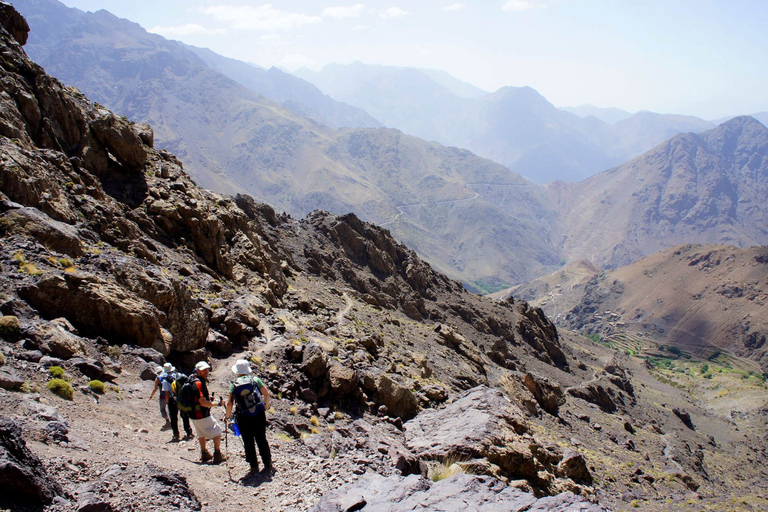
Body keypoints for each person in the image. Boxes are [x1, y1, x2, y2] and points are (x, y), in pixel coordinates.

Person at [224, 359, 272, 473]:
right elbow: (266, 394)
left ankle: (254, 466)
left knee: (248, 440)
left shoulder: (233, 384)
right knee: (261, 439)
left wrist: (226, 416)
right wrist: (264, 407)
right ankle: (267, 463)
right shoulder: (255, 380)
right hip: (258, 414)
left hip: (243, 417)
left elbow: (230, 403)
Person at [189, 361, 227, 464]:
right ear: (198, 371)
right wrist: (217, 404)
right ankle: (217, 454)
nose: (206, 372)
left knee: (201, 433)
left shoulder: (193, 381)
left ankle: (204, 453)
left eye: (207, 369)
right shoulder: (198, 383)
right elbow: (203, 402)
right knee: (218, 432)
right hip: (201, 414)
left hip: (193, 414)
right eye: (203, 370)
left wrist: (208, 399)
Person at [163, 364, 194, 442]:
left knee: (173, 418)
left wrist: (167, 402)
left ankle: (176, 434)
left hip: (172, 399)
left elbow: (166, 393)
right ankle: (188, 431)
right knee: (184, 415)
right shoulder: (179, 375)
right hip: (181, 398)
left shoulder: (165, 380)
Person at [147, 364, 172, 431]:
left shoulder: (158, 378)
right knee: (171, 408)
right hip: (171, 394)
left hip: (163, 396)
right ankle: (173, 421)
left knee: (162, 409)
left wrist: (151, 396)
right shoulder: (168, 375)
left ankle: (167, 421)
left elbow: (155, 389)